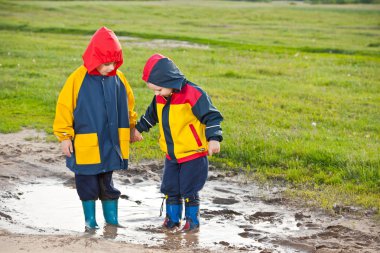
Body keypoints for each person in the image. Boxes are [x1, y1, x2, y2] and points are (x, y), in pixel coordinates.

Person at [53, 27, 142, 230]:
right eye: (106, 63)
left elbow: (128, 105)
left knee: (107, 184)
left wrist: (131, 127)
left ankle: (111, 222)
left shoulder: (119, 78)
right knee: (87, 184)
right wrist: (65, 137)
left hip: (110, 144)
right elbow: (64, 108)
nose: (110, 67)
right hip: (85, 144)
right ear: (94, 58)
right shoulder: (77, 78)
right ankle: (90, 222)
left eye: (114, 63)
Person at [135, 53, 223, 232]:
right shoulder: (161, 96)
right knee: (170, 188)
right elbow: (151, 116)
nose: (156, 94)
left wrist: (214, 138)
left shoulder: (193, 93)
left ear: (168, 81)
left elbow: (212, 116)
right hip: (172, 154)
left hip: (193, 154)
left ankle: (192, 222)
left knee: (189, 189)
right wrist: (138, 129)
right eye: (153, 90)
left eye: (158, 89)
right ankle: (172, 220)